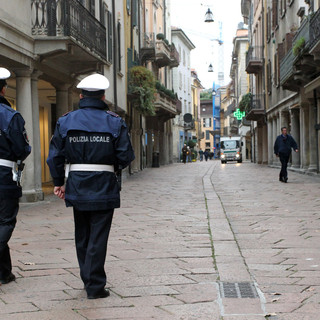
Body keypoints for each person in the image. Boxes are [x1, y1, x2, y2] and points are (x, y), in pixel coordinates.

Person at [47, 74, 135, 299]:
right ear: (103, 96)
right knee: (98, 236)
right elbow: (126, 155)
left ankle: (88, 279)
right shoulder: (114, 121)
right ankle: (95, 286)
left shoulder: (66, 120)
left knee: (82, 234)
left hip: (76, 183)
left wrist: (58, 182)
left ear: (80, 95)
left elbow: (55, 156)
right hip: (104, 183)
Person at [0, 67, 31, 285]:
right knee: (4, 221)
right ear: (3, 89)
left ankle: (4, 273)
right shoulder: (10, 116)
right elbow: (22, 149)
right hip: (3, 176)